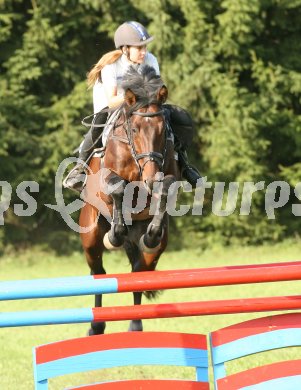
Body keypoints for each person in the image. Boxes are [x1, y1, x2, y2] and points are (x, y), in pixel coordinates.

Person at [64, 21, 201, 192]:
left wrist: (146, 99)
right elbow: (112, 99)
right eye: (139, 48)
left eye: (145, 47)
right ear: (125, 49)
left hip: (141, 104)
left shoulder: (151, 59)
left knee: (170, 117)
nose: (144, 52)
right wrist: (132, 97)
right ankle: (80, 167)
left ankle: (185, 164)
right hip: (113, 103)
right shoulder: (111, 67)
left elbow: (155, 91)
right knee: (98, 121)